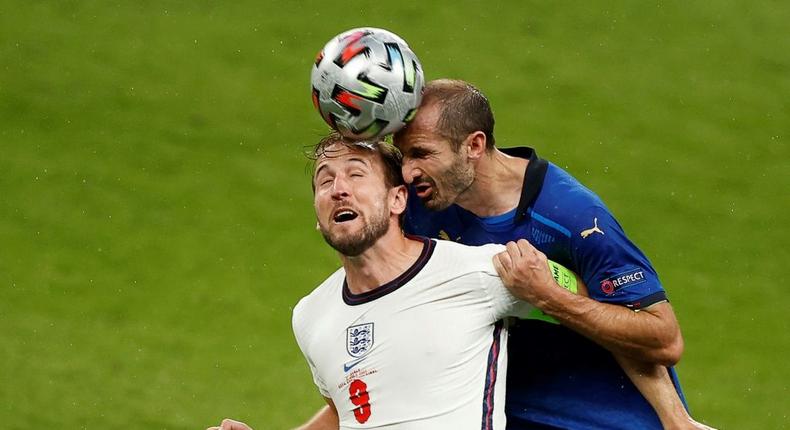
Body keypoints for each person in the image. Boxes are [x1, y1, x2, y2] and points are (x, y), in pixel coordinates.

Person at [392, 79, 707, 429]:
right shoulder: (419, 204)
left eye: (421, 154)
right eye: (403, 155)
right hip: (505, 415)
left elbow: (663, 340)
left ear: (474, 145)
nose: (407, 172)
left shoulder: (572, 216)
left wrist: (549, 297)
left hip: (603, 421)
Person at [208, 134, 580, 430]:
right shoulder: (311, 316)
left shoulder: (479, 272)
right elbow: (350, 414)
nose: (339, 189)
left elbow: (581, 297)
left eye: (356, 175)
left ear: (398, 199)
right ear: (318, 218)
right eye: (325, 181)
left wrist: (551, 292)